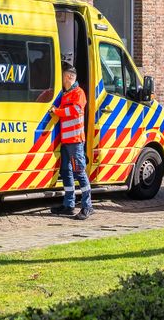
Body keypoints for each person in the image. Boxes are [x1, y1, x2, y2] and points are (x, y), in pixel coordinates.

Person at [49, 62, 93, 220]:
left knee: (80, 173)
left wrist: (57, 111)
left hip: (75, 140)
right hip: (66, 141)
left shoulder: (78, 93)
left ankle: (88, 206)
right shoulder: (66, 93)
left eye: (62, 76)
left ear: (68, 77)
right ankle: (69, 205)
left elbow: (74, 111)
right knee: (66, 173)